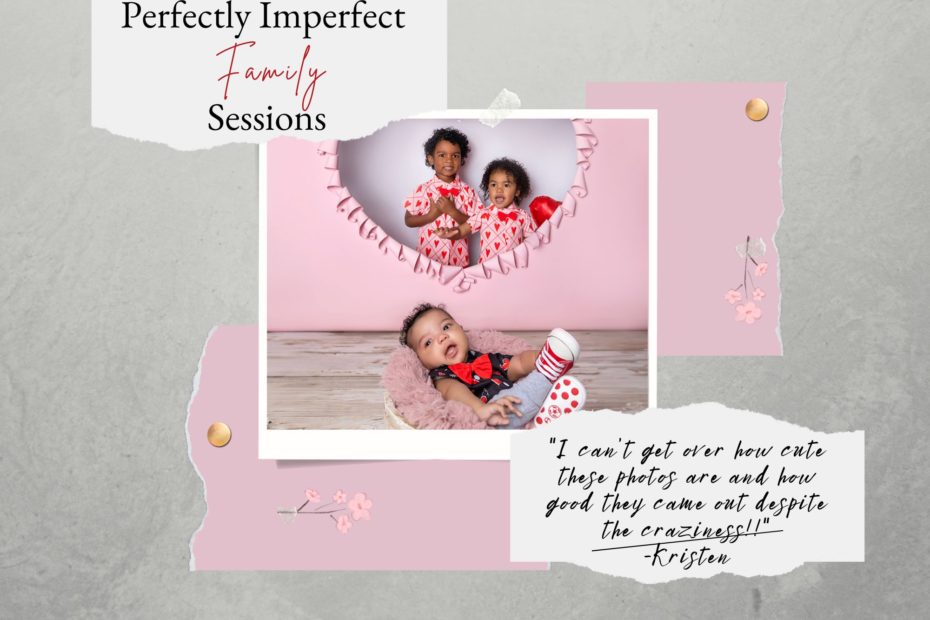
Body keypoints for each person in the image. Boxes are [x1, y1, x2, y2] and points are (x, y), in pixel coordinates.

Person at [399, 303, 585, 428]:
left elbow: (517, 363)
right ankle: (549, 371)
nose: (442, 337)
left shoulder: (482, 358)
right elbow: (454, 392)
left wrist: (538, 356)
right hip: (494, 418)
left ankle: (547, 372)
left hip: (515, 407)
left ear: (461, 328)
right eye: (428, 343)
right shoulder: (442, 376)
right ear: (419, 360)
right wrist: (481, 410)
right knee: (514, 399)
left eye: (446, 327)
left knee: (523, 383)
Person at [402, 128, 482, 266]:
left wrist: (452, 211)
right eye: (442, 155)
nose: (449, 160)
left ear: (461, 159)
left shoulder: (468, 192)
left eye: (455, 155)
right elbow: (408, 220)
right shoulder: (423, 190)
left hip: (458, 260)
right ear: (431, 159)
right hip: (427, 259)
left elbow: (477, 223)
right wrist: (430, 216)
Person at [436, 157, 536, 262]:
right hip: (487, 272)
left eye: (506, 185)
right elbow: (462, 231)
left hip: (515, 272)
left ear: (517, 191)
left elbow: (531, 245)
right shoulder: (483, 215)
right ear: (488, 188)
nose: (499, 189)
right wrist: (449, 233)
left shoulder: (524, 217)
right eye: (493, 185)